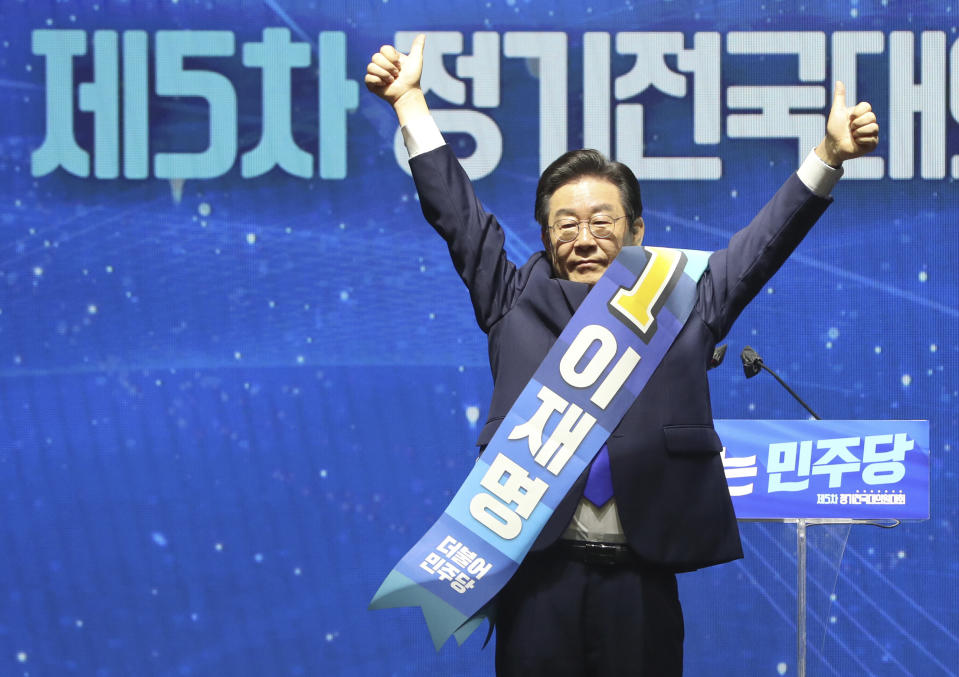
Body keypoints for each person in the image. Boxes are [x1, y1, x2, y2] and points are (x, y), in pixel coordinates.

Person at [366, 34, 879, 676]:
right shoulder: (512, 297)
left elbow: (763, 246)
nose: (584, 237)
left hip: (642, 575)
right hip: (538, 575)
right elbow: (457, 215)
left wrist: (829, 156)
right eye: (566, 224)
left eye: (603, 221)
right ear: (547, 236)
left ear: (637, 231)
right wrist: (409, 102)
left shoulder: (681, 301)